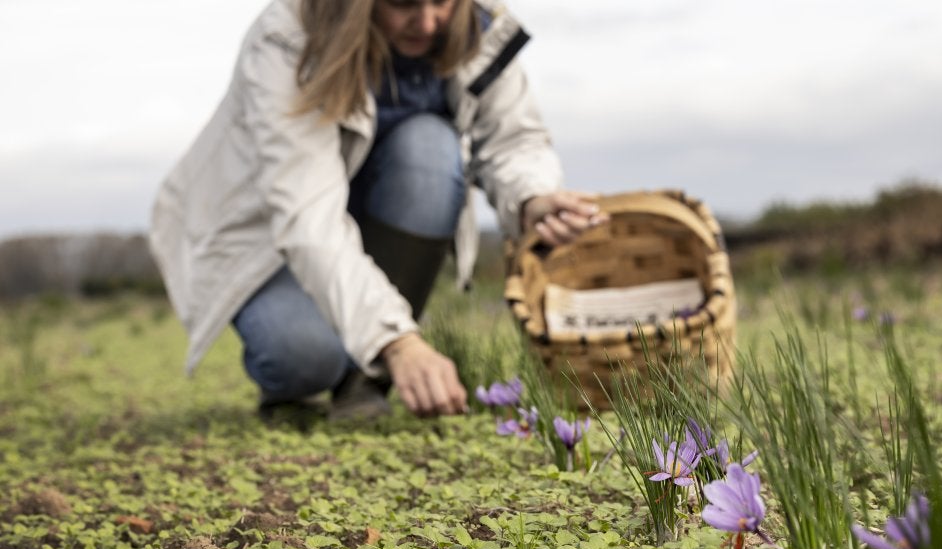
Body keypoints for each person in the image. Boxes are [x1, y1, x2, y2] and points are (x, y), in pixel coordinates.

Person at [150, 0, 605, 420]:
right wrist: (398, 340)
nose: (427, 22)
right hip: (269, 239)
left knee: (431, 145)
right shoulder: (287, 40)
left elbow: (513, 139)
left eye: (442, 1)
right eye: (403, 2)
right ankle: (328, 373)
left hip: (388, 205)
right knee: (304, 358)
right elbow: (309, 219)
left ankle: (366, 377)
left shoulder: (481, 24)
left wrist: (533, 197)